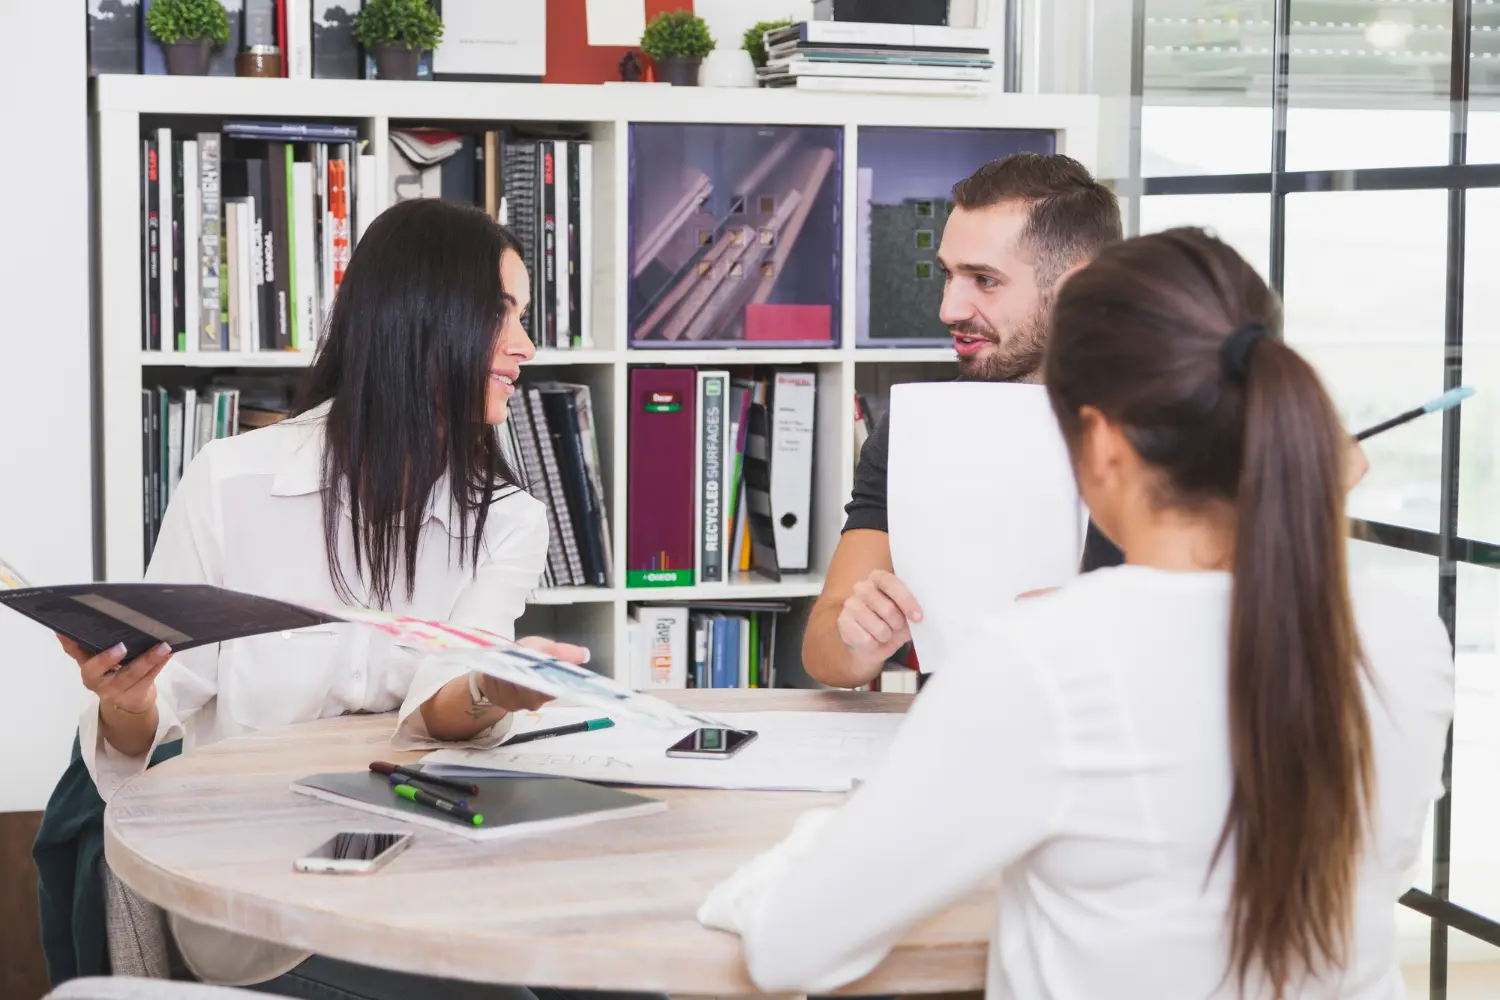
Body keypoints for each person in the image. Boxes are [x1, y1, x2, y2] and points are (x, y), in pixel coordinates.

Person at [697, 227, 1454, 999]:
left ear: (1099, 442)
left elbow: (793, 947)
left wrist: (818, 844)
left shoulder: (1045, 659)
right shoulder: (1407, 638)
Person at [57, 198, 640, 1000]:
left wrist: (492, 687)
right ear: (423, 321)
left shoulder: (509, 519)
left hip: (437, 858)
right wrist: (126, 697)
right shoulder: (232, 481)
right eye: (502, 317)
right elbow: (153, 719)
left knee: (622, 982)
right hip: (263, 884)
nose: (525, 348)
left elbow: (443, 704)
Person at [802, 153, 1126, 689]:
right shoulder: (919, 431)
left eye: (984, 280)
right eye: (949, 276)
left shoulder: (1172, 433)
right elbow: (824, 650)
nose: (950, 309)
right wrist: (860, 638)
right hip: (962, 747)